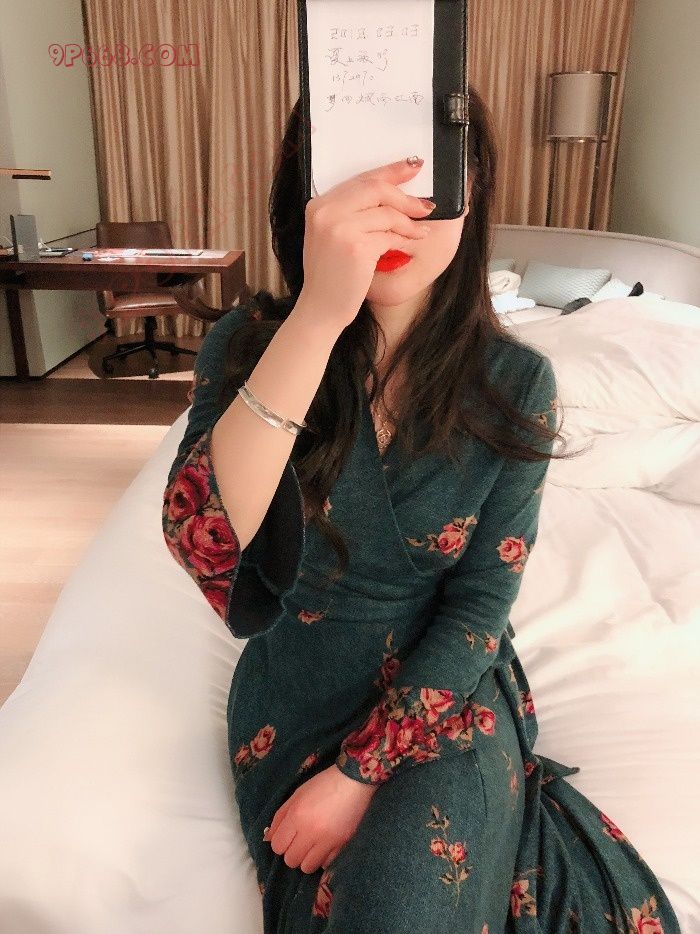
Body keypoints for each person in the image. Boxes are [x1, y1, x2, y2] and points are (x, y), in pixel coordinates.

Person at [162, 89, 682, 933]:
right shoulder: (252, 341)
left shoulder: (513, 384)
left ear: (472, 201)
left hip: (445, 696)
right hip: (295, 695)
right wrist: (320, 316)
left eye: (427, 181)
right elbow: (206, 544)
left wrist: (357, 776)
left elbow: (479, 607)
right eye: (357, 177)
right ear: (307, 196)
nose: (391, 209)